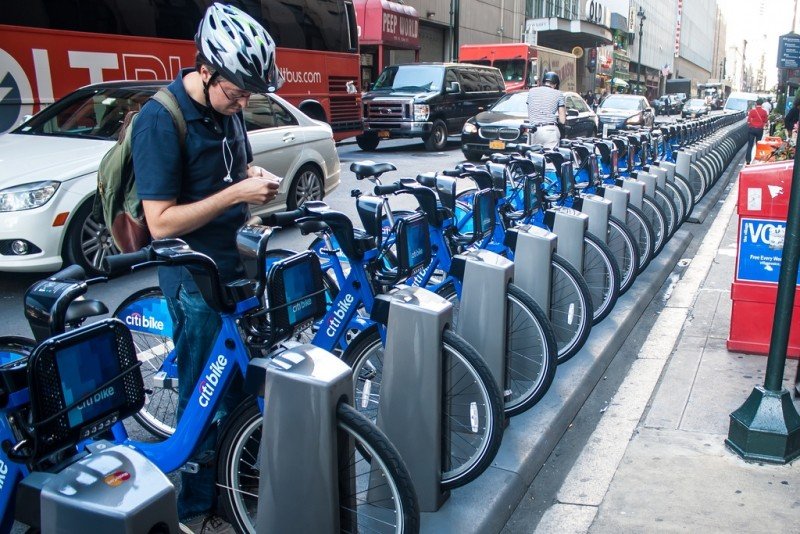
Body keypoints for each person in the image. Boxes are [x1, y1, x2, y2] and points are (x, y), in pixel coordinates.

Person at [131, 3, 282, 532]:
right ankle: (198, 507)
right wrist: (237, 192)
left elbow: (227, 168)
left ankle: (236, 481)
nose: (242, 103)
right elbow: (161, 222)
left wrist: (248, 174)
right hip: (193, 273)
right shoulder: (160, 119)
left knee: (242, 383)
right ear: (205, 70)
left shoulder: (228, 108)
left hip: (235, 261)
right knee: (205, 392)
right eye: (236, 92)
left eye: (247, 95)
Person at [526, 71, 566, 148]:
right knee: (550, 157)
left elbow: (530, 113)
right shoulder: (558, 94)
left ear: (544, 82)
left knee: (534, 157)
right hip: (549, 132)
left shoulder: (531, 91)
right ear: (555, 84)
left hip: (533, 131)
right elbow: (562, 120)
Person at [745, 98, 769, 165]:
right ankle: (757, 159)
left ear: (756, 103)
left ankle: (748, 160)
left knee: (750, 145)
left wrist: (751, 125)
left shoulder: (752, 111)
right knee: (758, 145)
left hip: (752, 129)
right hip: (759, 130)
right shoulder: (764, 112)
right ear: (762, 104)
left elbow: (748, 121)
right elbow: (766, 121)